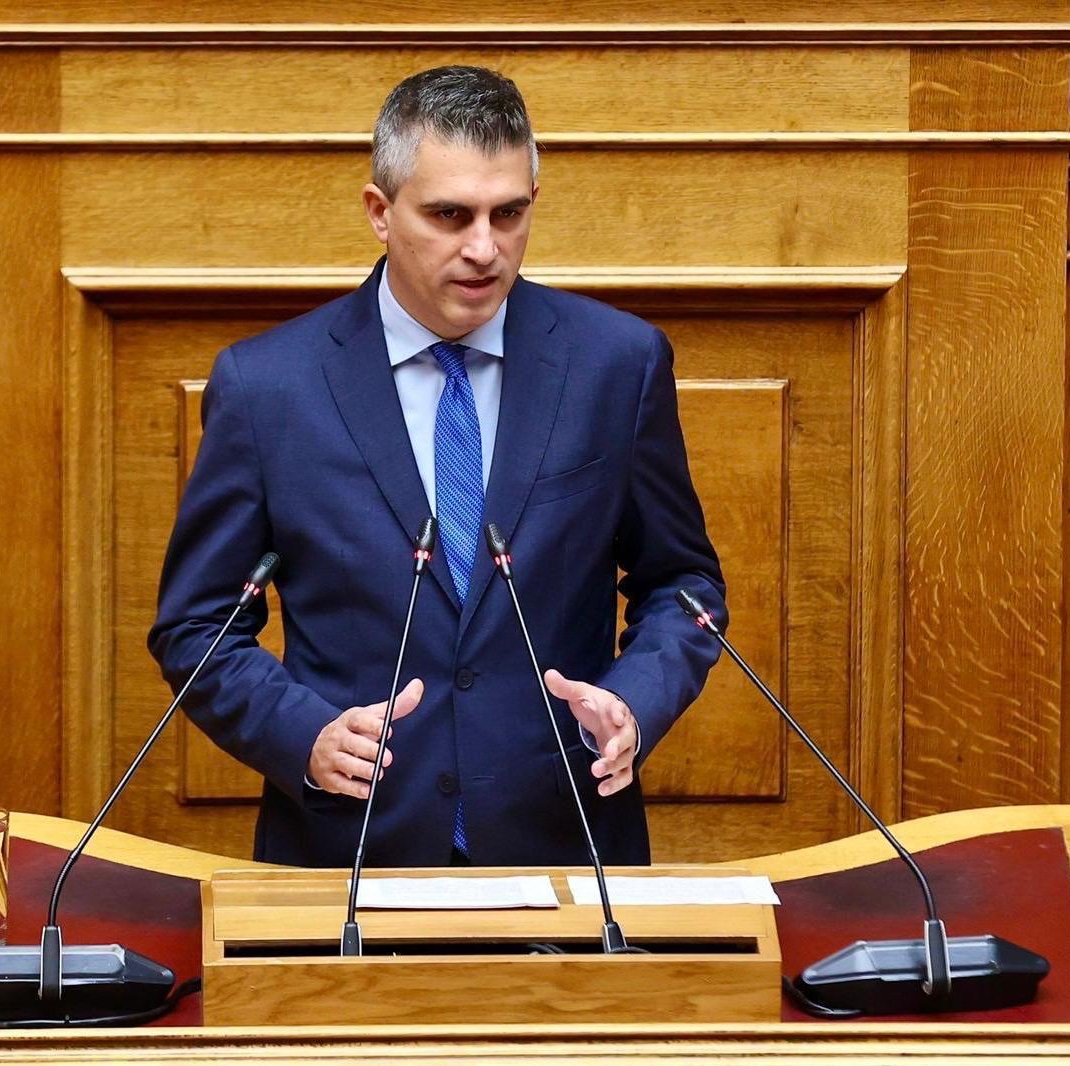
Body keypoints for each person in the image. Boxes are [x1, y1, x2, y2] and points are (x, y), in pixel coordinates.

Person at [149, 65, 726, 868]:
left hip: (565, 846)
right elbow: (197, 626)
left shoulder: (614, 364)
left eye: (508, 213)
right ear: (379, 212)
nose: (484, 249)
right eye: (450, 215)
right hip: (350, 851)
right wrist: (305, 735)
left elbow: (682, 585)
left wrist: (633, 703)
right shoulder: (267, 387)